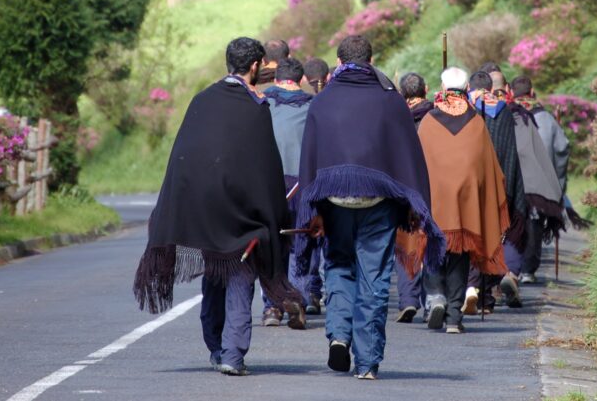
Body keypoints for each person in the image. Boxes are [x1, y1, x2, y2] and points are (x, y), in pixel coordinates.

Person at [133, 37, 298, 376]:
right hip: (241, 214)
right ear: (255, 66)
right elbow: (266, 167)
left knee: (215, 275)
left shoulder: (201, 101)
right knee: (240, 277)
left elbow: (182, 160)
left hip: (204, 211)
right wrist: (274, 214)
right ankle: (232, 355)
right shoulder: (255, 107)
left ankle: (216, 347)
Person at [295, 35, 444, 380]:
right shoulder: (390, 100)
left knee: (338, 266)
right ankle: (367, 362)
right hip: (379, 202)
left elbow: (309, 162)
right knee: (374, 278)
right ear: (372, 59)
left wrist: (312, 210)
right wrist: (412, 204)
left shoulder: (322, 101)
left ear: (339, 59)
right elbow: (408, 155)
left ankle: (339, 335)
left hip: (334, 203)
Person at [417, 67, 510, 334]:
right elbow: (488, 168)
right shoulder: (476, 122)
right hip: (467, 203)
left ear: (443, 88)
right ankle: (455, 317)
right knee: (460, 257)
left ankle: (436, 296)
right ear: (466, 87)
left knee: (434, 249)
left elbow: (418, 163)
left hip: (436, 200)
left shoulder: (429, 121)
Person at [465, 70, 526, 313]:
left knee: (472, 237)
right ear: (491, 88)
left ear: (470, 87)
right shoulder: (504, 112)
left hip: (473, 182)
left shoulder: (466, 110)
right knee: (493, 239)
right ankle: (487, 298)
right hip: (500, 183)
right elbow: (511, 151)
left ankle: (473, 289)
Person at [261, 57, 314, 326]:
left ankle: (271, 307)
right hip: (301, 185)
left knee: (270, 245)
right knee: (300, 245)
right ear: (300, 79)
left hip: (268, 183)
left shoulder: (262, 104)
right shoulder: (312, 106)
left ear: (275, 78)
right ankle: (297, 300)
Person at [507, 76, 567, 284]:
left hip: (514, 180)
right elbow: (561, 150)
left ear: (511, 92)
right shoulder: (548, 119)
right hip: (541, 183)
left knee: (514, 222)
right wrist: (558, 185)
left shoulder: (508, 115)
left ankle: (511, 267)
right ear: (532, 93)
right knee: (535, 222)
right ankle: (528, 270)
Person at [393, 72, 432, 323]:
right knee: (429, 242)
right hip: (430, 186)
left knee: (406, 241)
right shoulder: (435, 116)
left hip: (405, 186)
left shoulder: (398, 119)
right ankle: (431, 300)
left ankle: (408, 299)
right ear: (426, 90)